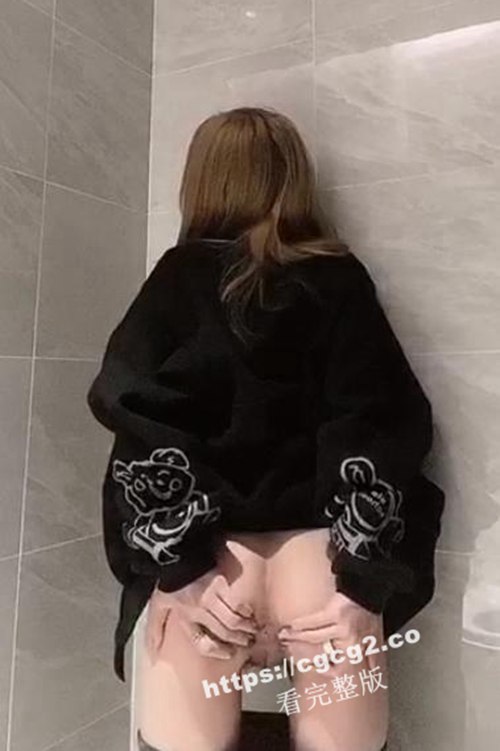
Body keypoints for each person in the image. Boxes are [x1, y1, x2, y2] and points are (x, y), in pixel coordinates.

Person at [86, 107, 445, 751]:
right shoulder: (339, 279)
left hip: (213, 578)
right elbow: (380, 422)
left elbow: (137, 420)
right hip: (324, 573)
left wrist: (181, 566)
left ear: (203, 182)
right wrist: (363, 583)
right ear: (295, 181)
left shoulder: (175, 280)